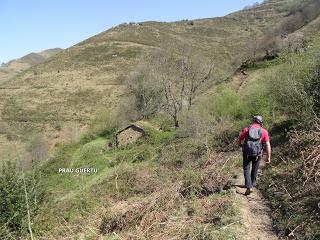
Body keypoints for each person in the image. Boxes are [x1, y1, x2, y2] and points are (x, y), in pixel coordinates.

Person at [238, 116, 271, 195]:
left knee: (246, 169)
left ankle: (249, 186)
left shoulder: (247, 129)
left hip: (247, 153)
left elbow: (240, 139)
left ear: (254, 121)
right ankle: (251, 185)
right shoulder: (264, 131)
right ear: (260, 122)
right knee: (254, 170)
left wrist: (240, 144)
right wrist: (268, 157)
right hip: (258, 154)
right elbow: (267, 145)